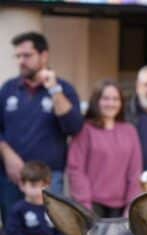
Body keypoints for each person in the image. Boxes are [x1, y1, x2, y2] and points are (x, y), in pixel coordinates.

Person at [0, 31, 84, 223]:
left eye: (27, 55)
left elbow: (73, 127)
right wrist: (6, 153)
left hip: (49, 180)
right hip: (12, 178)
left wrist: (54, 89)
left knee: (50, 232)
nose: (21, 61)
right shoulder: (8, 88)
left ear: (44, 55)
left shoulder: (64, 89)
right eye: (18, 56)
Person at [67, 80, 143, 217]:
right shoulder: (85, 130)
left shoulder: (129, 131)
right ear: (97, 101)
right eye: (106, 98)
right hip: (92, 205)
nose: (111, 103)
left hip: (122, 208)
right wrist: (85, 206)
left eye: (115, 99)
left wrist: (132, 206)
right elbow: (76, 169)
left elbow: (134, 171)